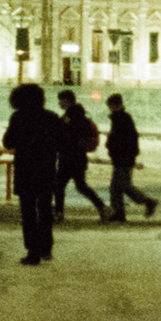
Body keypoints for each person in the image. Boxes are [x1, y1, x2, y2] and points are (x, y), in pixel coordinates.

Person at [2, 83, 67, 265]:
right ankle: (46, 247)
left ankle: (33, 251)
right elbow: (62, 143)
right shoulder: (52, 118)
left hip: (25, 170)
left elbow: (8, 142)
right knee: (45, 209)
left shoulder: (18, 118)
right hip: (46, 170)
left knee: (28, 212)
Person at [54, 88, 107, 222]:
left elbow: (65, 135)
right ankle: (102, 207)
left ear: (67, 101)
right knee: (80, 186)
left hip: (70, 156)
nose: (59, 103)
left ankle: (59, 213)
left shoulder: (71, 116)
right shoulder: (79, 115)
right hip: (77, 156)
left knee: (60, 185)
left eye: (61, 100)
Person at [105, 93, 159, 218]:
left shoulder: (122, 118)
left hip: (123, 157)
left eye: (111, 106)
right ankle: (119, 212)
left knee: (123, 185)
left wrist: (116, 148)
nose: (109, 108)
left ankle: (147, 201)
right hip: (121, 156)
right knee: (115, 187)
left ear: (115, 105)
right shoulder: (119, 118)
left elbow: (124, 139)